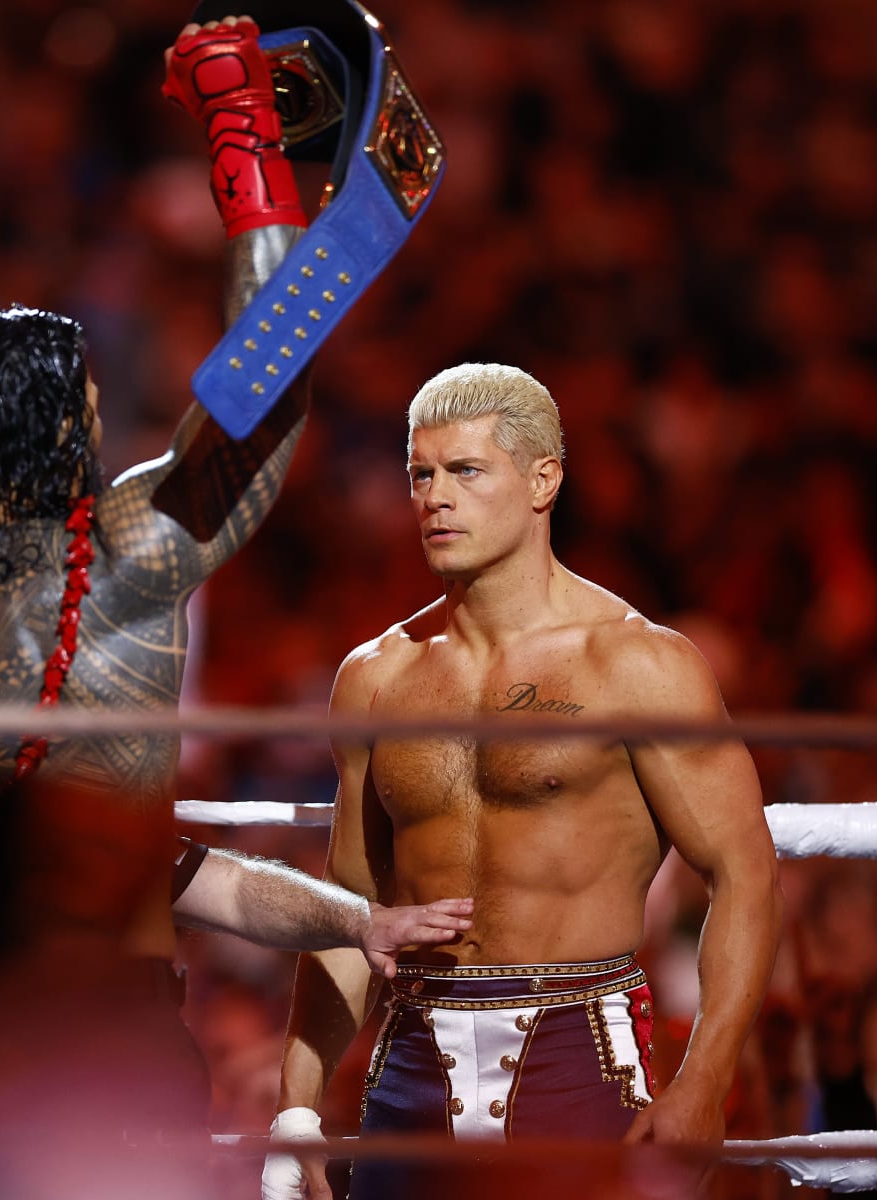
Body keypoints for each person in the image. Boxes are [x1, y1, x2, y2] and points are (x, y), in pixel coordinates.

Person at [0, 28, 471, 993]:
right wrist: (243, 128)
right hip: (106, 1040)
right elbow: (268, 389)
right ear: (80, 426)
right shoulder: (133, 558)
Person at [267, 363, 784, 1198]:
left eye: (466, 471)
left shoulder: (637, 665)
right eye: (421, 475)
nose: (435, 497)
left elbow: (743, 870)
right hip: (409, 1074)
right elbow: (353, 909)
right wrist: (296, 1111)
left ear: (544, 480)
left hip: (577, 1065)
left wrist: (705, 1078)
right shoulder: (375, 678)